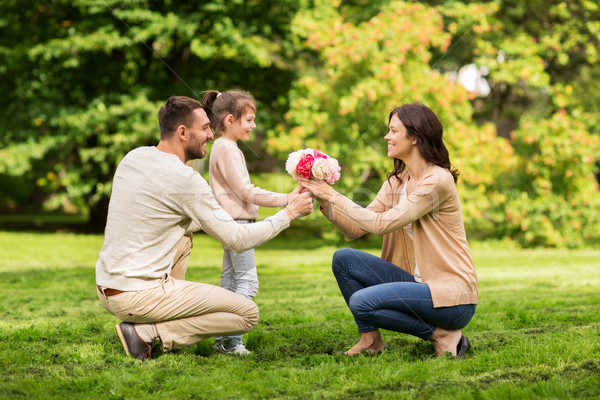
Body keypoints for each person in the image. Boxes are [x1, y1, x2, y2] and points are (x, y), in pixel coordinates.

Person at [95, 95, 313, 361]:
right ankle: (150, 333)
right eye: (205, 128)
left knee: (184, 238)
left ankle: (149, 321)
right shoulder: (186, 179)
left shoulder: (134, 157)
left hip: (107, 286)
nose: (211, 134)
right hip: (138, 295)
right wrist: (289, 213)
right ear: (183, 132)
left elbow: (172, 217)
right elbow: (237, 239)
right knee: (246, 314)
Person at [300, 103, 478, 357]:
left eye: (394, 131)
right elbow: (354, 229)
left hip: (451, 297)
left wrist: (334, 195)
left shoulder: (437, 180)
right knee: (344, 259)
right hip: (417, 285)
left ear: (414, 137)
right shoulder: (397, 182)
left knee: (362, 302)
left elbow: (381, 224)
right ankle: (371, 341)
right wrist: (324, 197)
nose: (387, 136)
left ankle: (442, 335)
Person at [202, 89, 301, 355]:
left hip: (230, 222)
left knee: (230, 282)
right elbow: (246, 191)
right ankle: (233, 341)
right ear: (230, 120)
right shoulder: (228, 149)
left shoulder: (222, 147)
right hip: (237, 224)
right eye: (249, 120)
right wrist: (287, 198)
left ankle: (222, 340)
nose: (253, 125)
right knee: (248, 282)